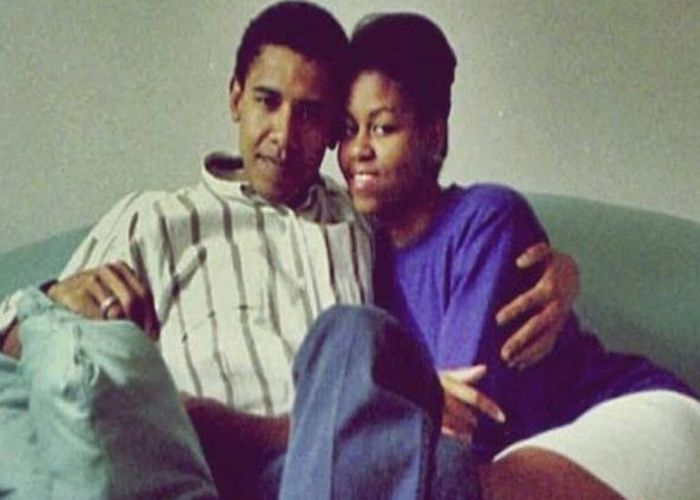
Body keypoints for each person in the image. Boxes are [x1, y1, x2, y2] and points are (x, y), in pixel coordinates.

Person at [0, 2, 579, 499]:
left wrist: (559, 271)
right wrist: (56, 298)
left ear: (330, 132)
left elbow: (444, 230)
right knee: (352, 336)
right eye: (267, 101)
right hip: (223, 468)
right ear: (235, 97)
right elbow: (15, 341)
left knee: (431, 444)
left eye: (310, 113)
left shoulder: (357, 218)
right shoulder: (154, 218)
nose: (283, 133)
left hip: (362, 467)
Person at [333, 11, 700, 498]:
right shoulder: (356, 250)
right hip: (521, 460)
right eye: (347, 129)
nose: (358, 149)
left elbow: (467, 420)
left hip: (627, 419)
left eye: (382, 128)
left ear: (432, 136)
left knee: (452, 480)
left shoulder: (486, 218)